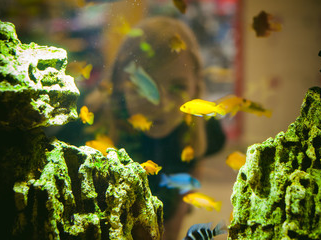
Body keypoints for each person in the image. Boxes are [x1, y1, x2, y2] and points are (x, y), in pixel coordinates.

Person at [86, 16, 226, 240]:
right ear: (119, 85)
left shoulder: (208, 131)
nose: (161, 105)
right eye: (145, 86)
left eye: (177, 87)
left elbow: (181, 204)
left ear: (196, 87)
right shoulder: (86, 125)